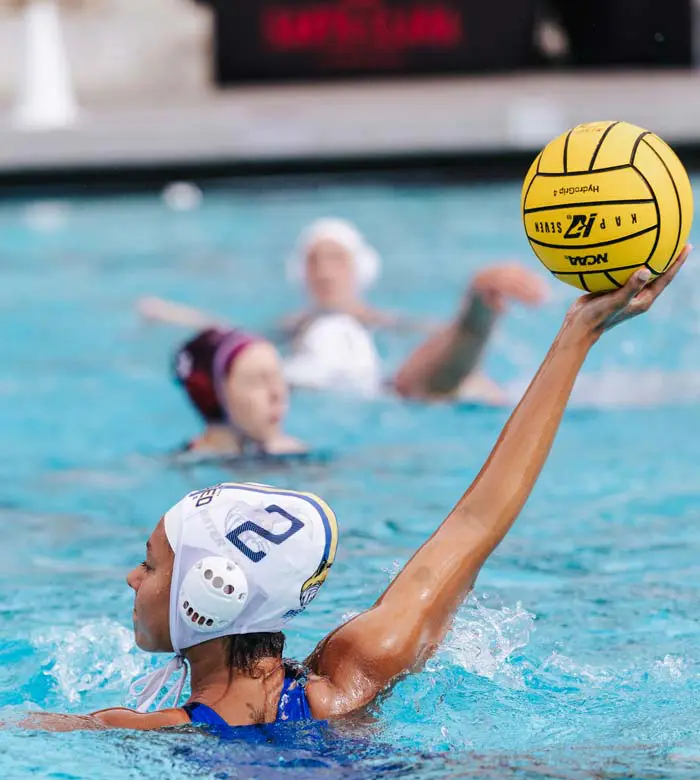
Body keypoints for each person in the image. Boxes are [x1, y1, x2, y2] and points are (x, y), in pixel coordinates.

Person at [32, 249, 688, 733]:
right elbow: (473, 526)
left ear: (209, 592)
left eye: (151, 563)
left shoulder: (139, 731)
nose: (131, 576)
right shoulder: (348, 682)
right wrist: (578, 334)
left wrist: (580, 331)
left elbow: (476, 521)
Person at [138, 217, 547, 403]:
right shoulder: (292, 327)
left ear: (359, 268)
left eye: (336, 260)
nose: (324, 272)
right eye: (314, 261)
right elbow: (230, 336)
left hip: (386, 391)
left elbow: (432, 339)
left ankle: (477, 311)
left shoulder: (384, 322)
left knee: (428, 384)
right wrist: (170, 315)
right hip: (307, 389)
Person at [173, 326, 305, 458]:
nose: (277, 393)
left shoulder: (294, 457)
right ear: (219, 396)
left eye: (278, 377)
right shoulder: (186, 465)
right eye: (257, 380)